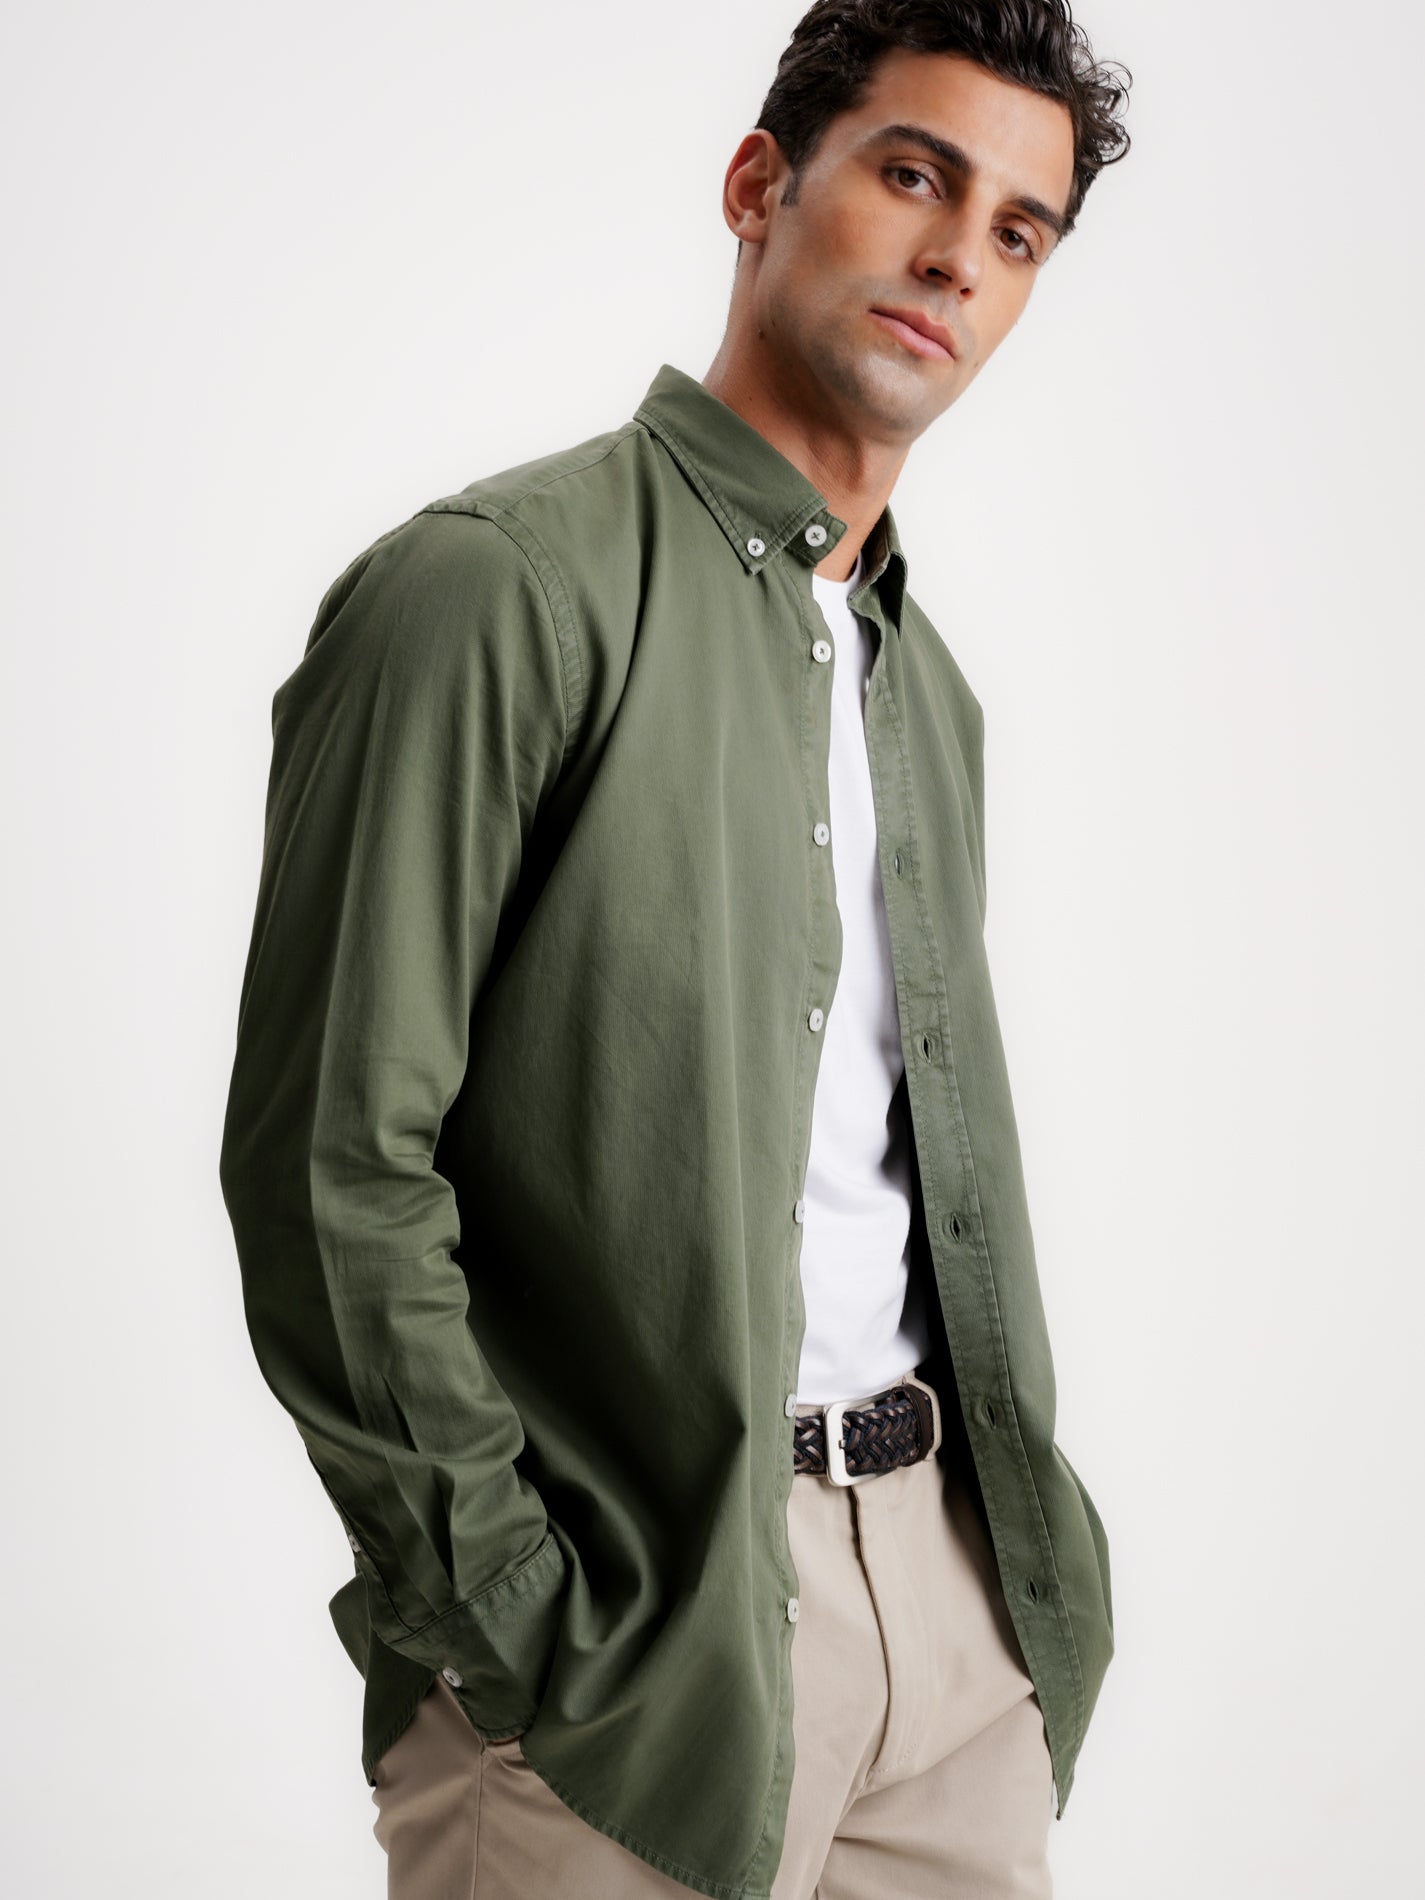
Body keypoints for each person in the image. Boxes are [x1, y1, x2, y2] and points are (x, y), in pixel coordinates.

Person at [218, 2, 1131, 1894]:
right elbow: (331, 1165)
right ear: (757, 185)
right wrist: (506, 1613)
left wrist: (1013, 1607)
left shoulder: (925, 689)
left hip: (952, 1629)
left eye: (1017, 231)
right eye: (912, 175)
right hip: (626, 1642)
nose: (958, 256)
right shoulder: (495, 590)